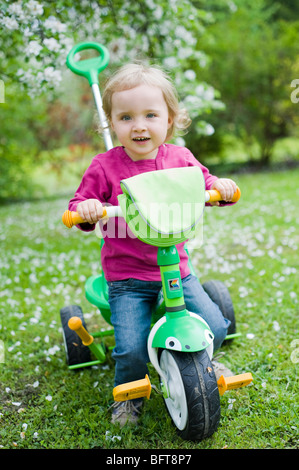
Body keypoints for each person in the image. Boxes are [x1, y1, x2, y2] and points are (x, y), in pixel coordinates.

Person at [68, 63, 237, 426]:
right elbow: (78, 207)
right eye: (126, 117)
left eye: (150, 115)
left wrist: (220, 187)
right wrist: (87, 208)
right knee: (131, 346)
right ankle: (129, 395)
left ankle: (203, 361)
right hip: (127, 276)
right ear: (112, 123)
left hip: (177, 267)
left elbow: (205, 183)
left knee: (216, 327)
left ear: (170, 119)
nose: (139, 125)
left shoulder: (180, 159)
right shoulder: (105, 166)